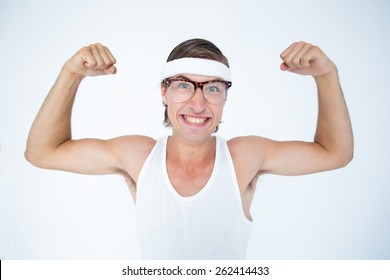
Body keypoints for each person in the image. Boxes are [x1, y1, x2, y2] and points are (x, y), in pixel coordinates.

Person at [25, 39, 353, 259]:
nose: (198, 103)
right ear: (164, 92)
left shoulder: (244, 157)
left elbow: (334, 153)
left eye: (212, 87)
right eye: (183, 85)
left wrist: (326, 75)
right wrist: (72, 74)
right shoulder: (138, 156)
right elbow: (42, 152)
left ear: (225, 97)